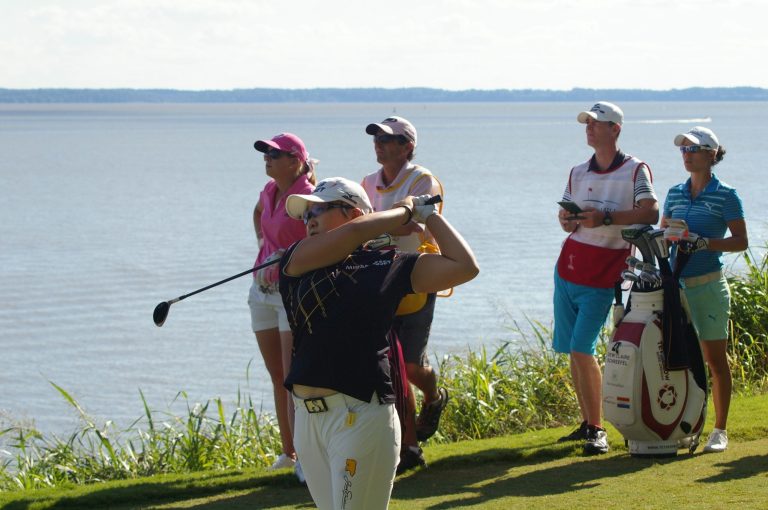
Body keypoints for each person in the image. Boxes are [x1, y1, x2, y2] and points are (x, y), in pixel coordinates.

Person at [279, 177, 478, 510]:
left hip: (360, 414)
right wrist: (404, 211)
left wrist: (429, 216)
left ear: (355, 212)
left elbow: (465, 266)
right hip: (308, 421)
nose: (309, 219)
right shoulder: (297, 259)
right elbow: (355, 233)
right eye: (306, 214)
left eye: (320, 209)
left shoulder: (388, 264)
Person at [554, 102, 658, 455]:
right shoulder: (577, 171)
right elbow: (565, 217)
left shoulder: (635, 169)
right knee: (572, 350)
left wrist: (607, 218)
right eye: (587, 123)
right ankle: (587, 422)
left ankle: (598, 429)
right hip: (568, 268)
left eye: (596, 123)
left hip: (605, 273)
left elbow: (650, 212)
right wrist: (567, 220)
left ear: (615, 129)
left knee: (582, 348)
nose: (589, 128)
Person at [361, 116, 447, 472]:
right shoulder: (367, 182)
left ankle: (434, 395)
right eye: (377, 138)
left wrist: (382, 227)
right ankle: (408, 446)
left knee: (410, 365)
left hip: (416, 279)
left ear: (407, 146)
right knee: (392, 366)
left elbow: (420, 224)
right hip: (379, 280)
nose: (379, 144)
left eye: (387, 139)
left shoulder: (422, 180)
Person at [661, 126, 748, 453]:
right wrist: (669, 236)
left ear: (712, 154)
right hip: (677, 288)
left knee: (713, 360)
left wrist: (704, 243)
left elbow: (741, 241)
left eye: (693, 149)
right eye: (683, 149)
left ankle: (719, 430)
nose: (687, 155)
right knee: (679, 360)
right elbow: (663, 233)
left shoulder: (726, 195)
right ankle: (687, 425)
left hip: (708, 287)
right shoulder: (674, 193)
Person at [249, 132, 316, 479]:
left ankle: (306, 455)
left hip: (292, 293)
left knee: (293, 378)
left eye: (274, 154)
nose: (267, 158)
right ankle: (288, 452)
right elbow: (258, 212)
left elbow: (320, 237)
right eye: (266, 154)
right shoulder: (269, 191)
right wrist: (264, 246)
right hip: (262, 291)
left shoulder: (308, 196)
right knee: (277, 376)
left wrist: (288, 255)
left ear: (295, 161)